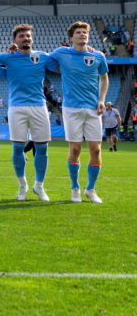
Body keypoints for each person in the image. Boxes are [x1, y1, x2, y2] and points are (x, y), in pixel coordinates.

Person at [0, 24, 53, 201]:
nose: (26, 39)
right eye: (21, 36)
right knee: (18, 147)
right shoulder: (6, 57)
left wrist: (88, 50)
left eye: (28, 36)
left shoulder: (43, 56)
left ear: (32, 39)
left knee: (42, 148)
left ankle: (39, 186)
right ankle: (22, 185)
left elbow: (62, 62)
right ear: (15, 41)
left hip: (39, 106)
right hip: (17, 107)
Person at [48, 21, 109, 203]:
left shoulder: (97, 55)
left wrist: (101, 100)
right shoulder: (61, 53)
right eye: (79, 32)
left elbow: (104, 78)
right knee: (75, 149)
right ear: (71, 37)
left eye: (85, 32)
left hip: (93, 109)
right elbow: (44, 60)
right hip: (71, 108)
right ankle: (75, 188)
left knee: (96, 150)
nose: (83, 34)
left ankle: (90, 189)